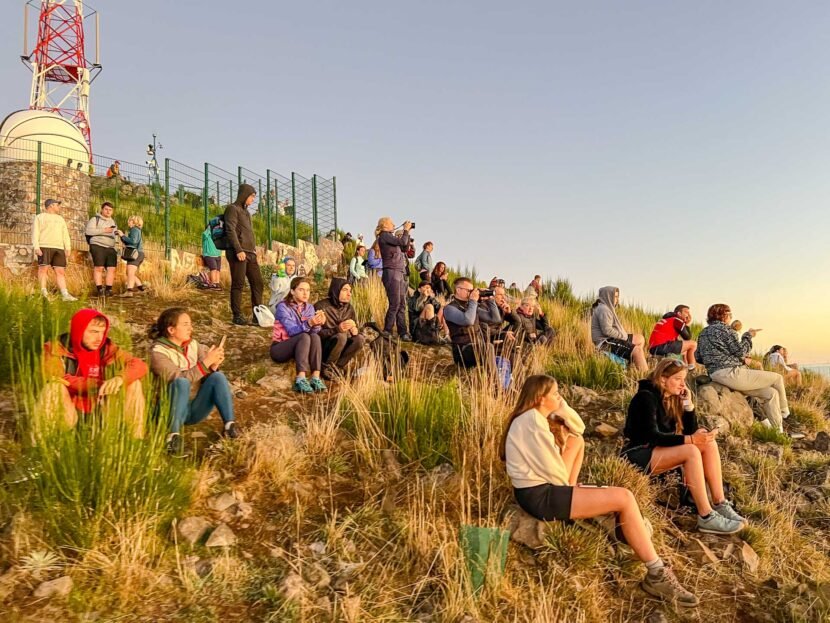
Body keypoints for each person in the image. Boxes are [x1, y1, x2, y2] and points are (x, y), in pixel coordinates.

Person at [502, 374, 698, 608]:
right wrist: (577, 491)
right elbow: (556, 475)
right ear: (540, 398)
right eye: (555, 394)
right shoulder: (531, 422)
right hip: (540, 496)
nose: (560, 397)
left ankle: (630, 534)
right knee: (624, 497)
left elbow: (579, 428)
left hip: (544, 489)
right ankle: (656, 573)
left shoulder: (535, 417)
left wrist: (562, 406)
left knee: (576, 441)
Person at [621, 359, 746, 535]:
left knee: (707, 441)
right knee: (691, 450)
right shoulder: (645, 398)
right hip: (636, 454)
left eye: (684, 379)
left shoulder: (671, 398)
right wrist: (692, 440)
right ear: (663, 379)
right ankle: (706, 516)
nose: (682, 384)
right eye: (678, 379)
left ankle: (720, 503)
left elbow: (691, 432)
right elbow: (653, 437)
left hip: (657, 452)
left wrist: (688, 406)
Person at [41, 309, 147, 437]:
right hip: (69, 411)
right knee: (54, 386)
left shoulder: (107, 348)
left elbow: (139, 365)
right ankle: (39, 445)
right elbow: (57, 377)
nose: (99, 338)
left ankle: (135, 442)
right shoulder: (54, 348)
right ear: (78, 330)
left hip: (102, 409)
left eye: (102, 333)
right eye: (93, 332)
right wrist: (100, 385)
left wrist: (120, 378)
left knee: (134, 383)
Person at [149, 308, 237, 454]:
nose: (191, 328)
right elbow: (181, 379)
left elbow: (205, 373)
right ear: (171, 330)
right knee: (181, 383)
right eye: (185, 324)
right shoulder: (158, 353)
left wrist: (213, 366)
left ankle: (230, 425)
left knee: (217, 377)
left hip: (194, 409)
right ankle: (172, 437)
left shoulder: (194, 346)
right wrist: (206, 363)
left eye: (190, 323)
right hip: (169, 410)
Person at [697, 304, 790, 431]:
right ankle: (785, 411)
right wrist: (748, 336)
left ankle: (777, 432)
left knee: (771, 393)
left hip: (715, 375)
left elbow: (698, 357)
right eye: (730, 314)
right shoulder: (726, 330)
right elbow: (741, 351)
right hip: (732, 374)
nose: (731, 317)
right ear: (723, 315)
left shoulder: (703, 333)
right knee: (777, 378)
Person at [270, 277, 327, 393]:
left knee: (315, 336)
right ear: (292, 291)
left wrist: (318, 324)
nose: (306, 293)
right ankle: (300, 379)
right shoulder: (283, 307)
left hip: (300, 347)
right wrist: (310, 323)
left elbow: (313, 333)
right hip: (280, 348)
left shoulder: (309, 307)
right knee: (304, 336)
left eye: (308, 290)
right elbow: (292, 331)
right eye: (301, 290)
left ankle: (315, 377)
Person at [224, 184, 264, 326]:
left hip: (250, 253)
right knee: (238, 284)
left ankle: (257, 315)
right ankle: (237, 315)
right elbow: (230, 230)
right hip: (238, 252)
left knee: (258, 282)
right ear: (244, 195)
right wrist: (238, 250)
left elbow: (248, 233)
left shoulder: (246, 213)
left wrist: (252, 249)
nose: (253, 199)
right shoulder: (232, 209)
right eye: (252, 196)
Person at [315, 278, 366, 378]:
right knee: (341, 336)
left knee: (360, 339)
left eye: (350, 291)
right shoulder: (320, 306)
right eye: (345, 290)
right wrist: (337, 330)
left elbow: (356, 330)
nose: (349, 294)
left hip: (341, 347)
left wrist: (355, 331)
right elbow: (315, 335)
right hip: (324, 348)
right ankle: (326, 367)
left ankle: (338, 367)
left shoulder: (349, 308)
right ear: (336, 290)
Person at [444, 277, 498, 370]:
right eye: (468, 290)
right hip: (463, 351)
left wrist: (490, 300)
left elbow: (494, 319)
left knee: (504, 349)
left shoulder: (471, 306)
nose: (471, 293)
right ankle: (495, 383)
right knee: (488, 347)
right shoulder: (449, 308)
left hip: (477, 346)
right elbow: (468, 320)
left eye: (472, 290)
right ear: (458, 290)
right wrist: (473, 301)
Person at [590, 286, 648, 373]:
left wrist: (623, 336)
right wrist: (623, 337)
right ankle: (646, 378)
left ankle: (631, 365)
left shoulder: (607, 308)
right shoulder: (604, 309)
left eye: (618, 297)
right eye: (615, 297)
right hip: (606, 342)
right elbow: (607, 331)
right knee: (637, 351)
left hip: (613, 339)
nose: (617, 299)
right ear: (608, 296)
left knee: (640, 339)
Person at [375, 217, 413, 340]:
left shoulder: (389, 237)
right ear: (385, 225)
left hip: (399, 272)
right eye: (392, 223)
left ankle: (403, 332)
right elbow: (402, 243)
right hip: (391, 272)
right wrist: (405, 230)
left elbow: (405, 248)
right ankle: (387, 330)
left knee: (401, 303)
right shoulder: (384, 235)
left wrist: (408, 233)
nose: (394, 224)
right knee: (395, 303)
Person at [32, 198, 76, 301]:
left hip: (59, 248)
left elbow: (65, 234)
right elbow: (35, 232)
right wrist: (36, 247)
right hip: (44, 246)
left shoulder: (60, 219)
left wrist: (68, 247)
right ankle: (43, 292)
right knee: (43, 269)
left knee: (60, 271)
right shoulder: (40, 217)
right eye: (57, 205)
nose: (59, 207)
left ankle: (65, 294)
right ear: (51, 206)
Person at [85, 202, 121, 297]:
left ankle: (108, 290)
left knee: (111, 268)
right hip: (97, 245)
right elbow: (88, 231)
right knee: (99, 267)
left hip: (111, 247)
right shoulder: (95, 219)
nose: (108, 211)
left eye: (110, 210)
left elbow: (115, 236)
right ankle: (100, 290)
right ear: (102, 209)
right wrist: (104, 230)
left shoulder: (113, 222)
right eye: (106, 209)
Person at [648, 305, 697, 369]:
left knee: (685, 351)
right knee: (693, 344)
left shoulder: (667, 320)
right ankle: (691, 369)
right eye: (686, 312)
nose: (688, 315)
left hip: (654, 348)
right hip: (662, 346)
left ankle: (684, 368)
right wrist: (687, 324)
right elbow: (687, 337)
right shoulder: (677, 320)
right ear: (679, 313)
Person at [407, 281, 444, 345]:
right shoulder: (413, 299)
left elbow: (439, 309)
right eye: (425, 287)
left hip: (428, 326)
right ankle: (434, 335)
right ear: (419, 289)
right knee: (429, 307)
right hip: (417, 327)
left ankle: (445, 335)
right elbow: (416, 309)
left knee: (443, 308)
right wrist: (423, 298)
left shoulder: (431, 299)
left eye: (429, 288)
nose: (427, 289)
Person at [119, 215, 146, 297]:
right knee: (130, 272)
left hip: (135, 253)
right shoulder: (137, 230)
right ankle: (141, 288)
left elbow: (133, 241)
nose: (128, 223)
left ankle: (129, 291)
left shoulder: (134, 229)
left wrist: (122, 235)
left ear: (134, 222)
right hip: (138, 254)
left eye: (129, 221)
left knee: (130, 272)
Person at [201, 224, 223, 289]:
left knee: (218, 270)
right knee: (213, 268)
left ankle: (217, 283)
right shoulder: (206, 235)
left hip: (218, 255)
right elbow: (206, 233)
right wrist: (209, 227)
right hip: (209, 255)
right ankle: (213, 284)